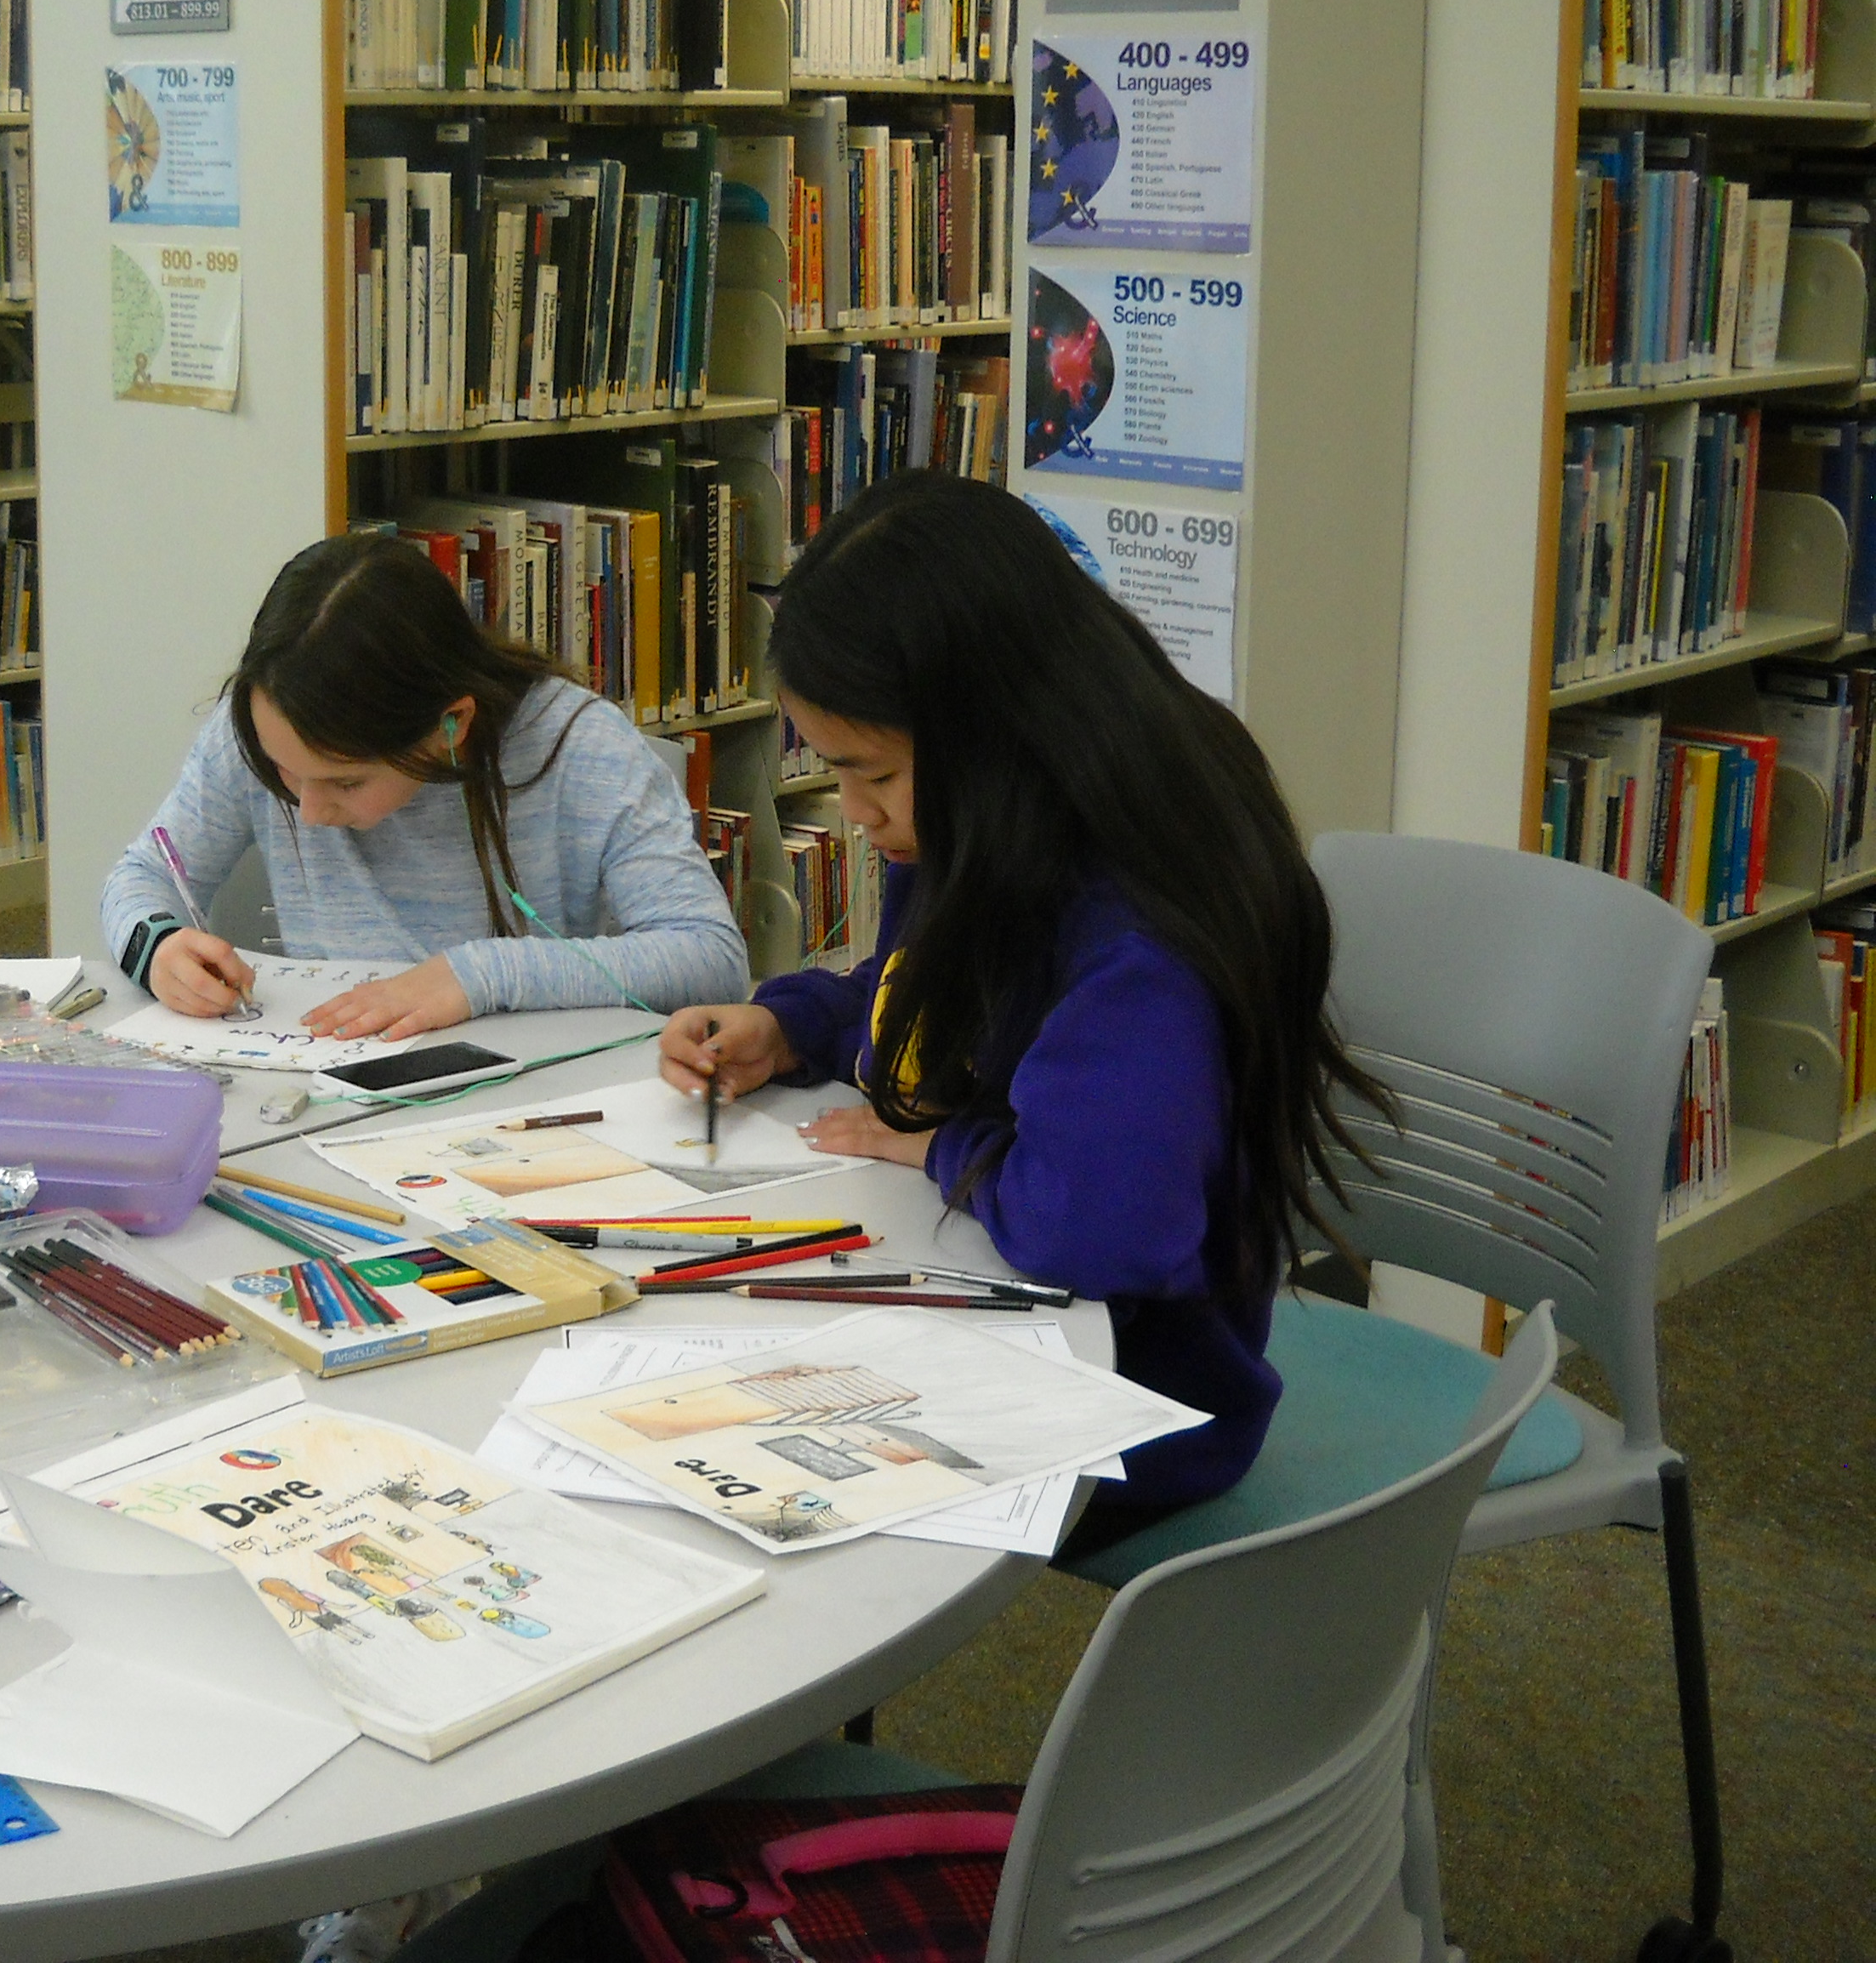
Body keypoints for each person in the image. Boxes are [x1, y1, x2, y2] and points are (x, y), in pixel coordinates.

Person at [657, 472, 1382, 1533]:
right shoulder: (992, 825)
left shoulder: (1139, 936)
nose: (853, 814)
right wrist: (795, 1025)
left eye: (874, 777)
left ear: (991, 736)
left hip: (1135, 1401)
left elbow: (1097, 1229)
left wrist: (940, 1148)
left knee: (715, 1478)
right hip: (990, 1314)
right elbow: (939, 1002)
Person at [104, 533, 749, 1040]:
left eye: (347, 782)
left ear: (451, 724)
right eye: (285, 775)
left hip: (524, 1091)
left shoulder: (581, 748)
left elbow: (709, 957)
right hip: (328, 1081)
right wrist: (155, 946)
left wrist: (478, 977)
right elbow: (141, 876)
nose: (309, 811)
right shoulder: (261, 728)